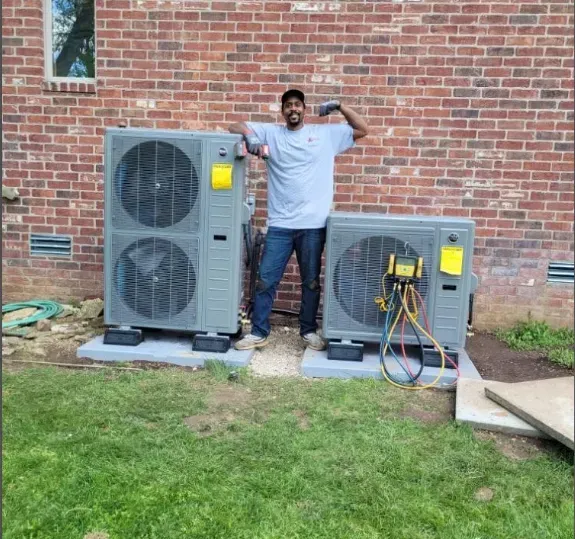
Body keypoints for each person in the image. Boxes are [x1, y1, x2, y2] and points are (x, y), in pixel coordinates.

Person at [228, 89, 369, 351]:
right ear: (283, 111)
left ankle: (308, 331)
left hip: (313, 226)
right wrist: (250, 136)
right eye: (288, 106)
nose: (293, 109)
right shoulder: (271, 132)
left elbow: (362, 129)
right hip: (280, 225)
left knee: (311, 282)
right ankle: (259, 332)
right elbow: (233, 125)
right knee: (265, 280)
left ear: (304, 109)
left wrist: (339, 105)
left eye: (297, 105)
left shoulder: (326, 135)